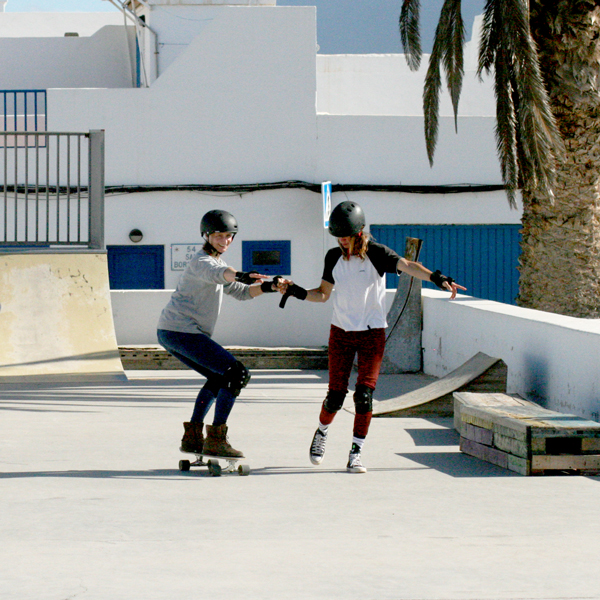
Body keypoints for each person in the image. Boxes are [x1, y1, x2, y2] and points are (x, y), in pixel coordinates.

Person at [279, 200, 466, 473]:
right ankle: (321, 432)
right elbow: (322, 294)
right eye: (338, 237)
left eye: (346, 236)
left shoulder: (376, 253)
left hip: (371, 334)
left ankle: (356, 453)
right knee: (335, 396)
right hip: (341, 333)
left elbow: (409, 266)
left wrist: (438, 278)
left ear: (359, 232)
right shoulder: (333, 257)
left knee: (364, 396)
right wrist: (296, 291)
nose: (342, 242)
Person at [157, 209, 280, 459]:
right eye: (219, 236)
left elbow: (241, 292)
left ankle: (192, 437)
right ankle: (216, 439)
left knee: (218, 378)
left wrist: (270, 287)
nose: (225, 241)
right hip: (180, 331)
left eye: (229, 236)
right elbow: (220, 275)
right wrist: (240, 274)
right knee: (236, 374)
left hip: (173, 331)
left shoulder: (217, 263)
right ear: (206, 235)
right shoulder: (201, 262)